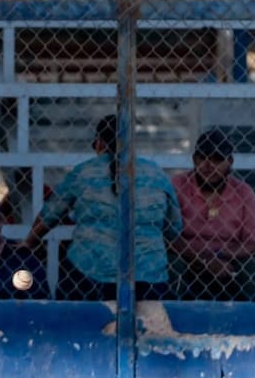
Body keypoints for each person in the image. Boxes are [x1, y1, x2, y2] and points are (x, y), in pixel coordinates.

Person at [21, 115, 182, 301]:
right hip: (148, 274)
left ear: (99, 142)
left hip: (89, 272)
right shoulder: (155, 173)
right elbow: (173, 227)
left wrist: (29, 241)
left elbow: (51, 213)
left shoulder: (83, 172)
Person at [168, 129, 255, 301]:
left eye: (217, 159)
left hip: (229, 264)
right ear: (194, 159)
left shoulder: (243, 192)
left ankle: (253, 323)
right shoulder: (177, 186)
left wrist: (219, 256)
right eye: (203, 158)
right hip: (187, 260)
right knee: (170, 265)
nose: (209, 166)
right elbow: (167, 237)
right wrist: (202, 260)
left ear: (230, 162)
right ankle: (167, 321)